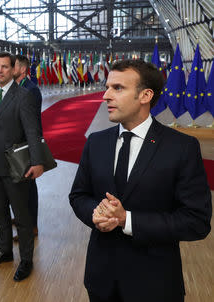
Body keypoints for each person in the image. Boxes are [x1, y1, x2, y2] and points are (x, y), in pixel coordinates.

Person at [69, 59, 212, 302]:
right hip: (101, 280)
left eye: (118, 88)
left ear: (145, 95)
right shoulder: (96, 142)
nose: (105, 95)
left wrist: (127, 220)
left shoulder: (181, 148)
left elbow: (196, 221)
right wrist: (96, 213)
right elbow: (79, 196)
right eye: (107, 87)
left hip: (154, 283)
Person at [0, 52, 44, 282]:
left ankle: (26, 260)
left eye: (4, 67)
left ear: (14, 69)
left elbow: (33, 132)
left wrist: (37, 162)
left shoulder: (24, 96)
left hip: (16, 166)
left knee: (22, 216)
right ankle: (4, 251)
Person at [12, 54, 43, 240]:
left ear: (22, 69)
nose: (8, 69)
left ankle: (32, 226)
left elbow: (32, 124)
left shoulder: (31, 90)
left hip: (26, 144)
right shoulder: (15, 88)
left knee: (29, 186)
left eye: (12, 66)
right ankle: (23, 217)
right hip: (16, 144)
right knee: (19, 185)